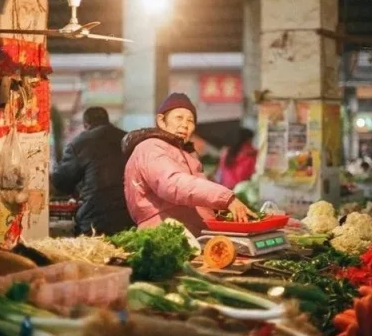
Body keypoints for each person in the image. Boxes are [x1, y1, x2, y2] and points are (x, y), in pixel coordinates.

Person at [122, 93, 256, 236]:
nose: (185, 124)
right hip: (165, 236)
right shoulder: (151, 147)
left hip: (192, 235)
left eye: (190, 120)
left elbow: (196, 197)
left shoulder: (186, 154)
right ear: (161, 121)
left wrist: (219, 210)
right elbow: (173, 184)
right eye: (179, 117)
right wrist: (225, 198)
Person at [51, 107, 134, 236]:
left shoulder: (79, 143)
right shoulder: (128, 139)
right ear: (107, 120)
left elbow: (62, 182)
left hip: (95, 220)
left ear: (85, 124)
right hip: (131, 216)